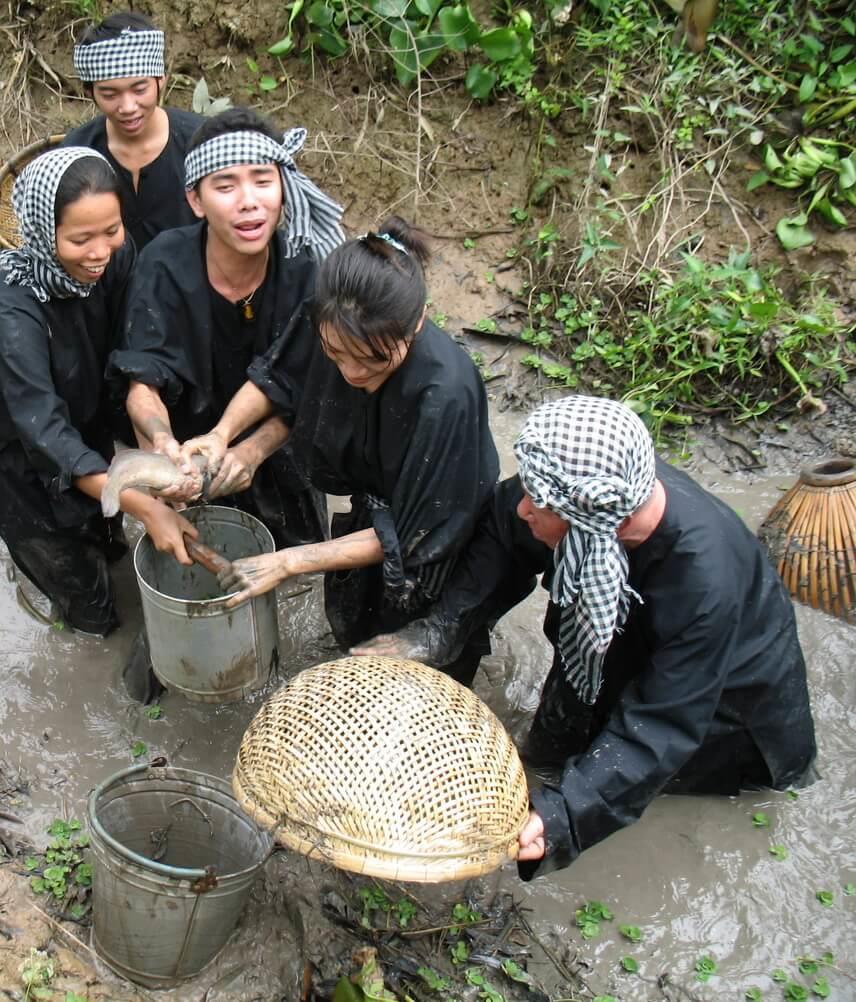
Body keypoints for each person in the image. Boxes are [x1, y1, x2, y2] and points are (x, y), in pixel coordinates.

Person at [360, 395, 818, 877]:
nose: (523, 508)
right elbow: (502, 525)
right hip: (609, 653)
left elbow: (661, 727)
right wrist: (440, 630)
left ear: (592, 521)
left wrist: (562, 815)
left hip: (724, 715)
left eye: (537, 501)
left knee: (619, 781)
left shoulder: (703, 584)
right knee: (550, 750)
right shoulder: (589, 482)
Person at [184, 220, 500, 684]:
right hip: (372, 513)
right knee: (354, 642)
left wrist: (289, 561)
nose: (350, 371)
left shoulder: (444, 396)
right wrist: (221, 434)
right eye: (335, 353)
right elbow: (279, 379)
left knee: (417, 675)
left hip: (438, 546)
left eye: (373, 359)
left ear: (417, 321)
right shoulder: (327, 313)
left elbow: (411, 540)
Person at [0, 146, 196, 638]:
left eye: (111, 230)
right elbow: (44, 432)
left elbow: (134, 346)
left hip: (89, 444)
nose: (99, 252)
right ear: (39, 232)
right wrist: (146, 504)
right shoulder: (10, 313)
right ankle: (63, 599)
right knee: (93, 617)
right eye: (79, 239)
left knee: (111, 547)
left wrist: (154, 450)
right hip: (23, 477)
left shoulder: (115, 259)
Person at [108, 106, 345, 551]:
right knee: (194, 554)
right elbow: (142, 381)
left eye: (262, 179)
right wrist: (162, 441)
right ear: (196, 201)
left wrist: (251, 452)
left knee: (295, 564)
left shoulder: (307, 268)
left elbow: (312, 393)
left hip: (279, 449)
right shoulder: (163, 263)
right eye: (225, 185)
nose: (249, 201)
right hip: (192, 453)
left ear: (283, 188)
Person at [62, 11, 203, 249]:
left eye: (139, 90)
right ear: (90, 93)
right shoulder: (77, 151)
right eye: (110, 94)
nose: (128, 107)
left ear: (161, 80)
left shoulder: (201, 141)